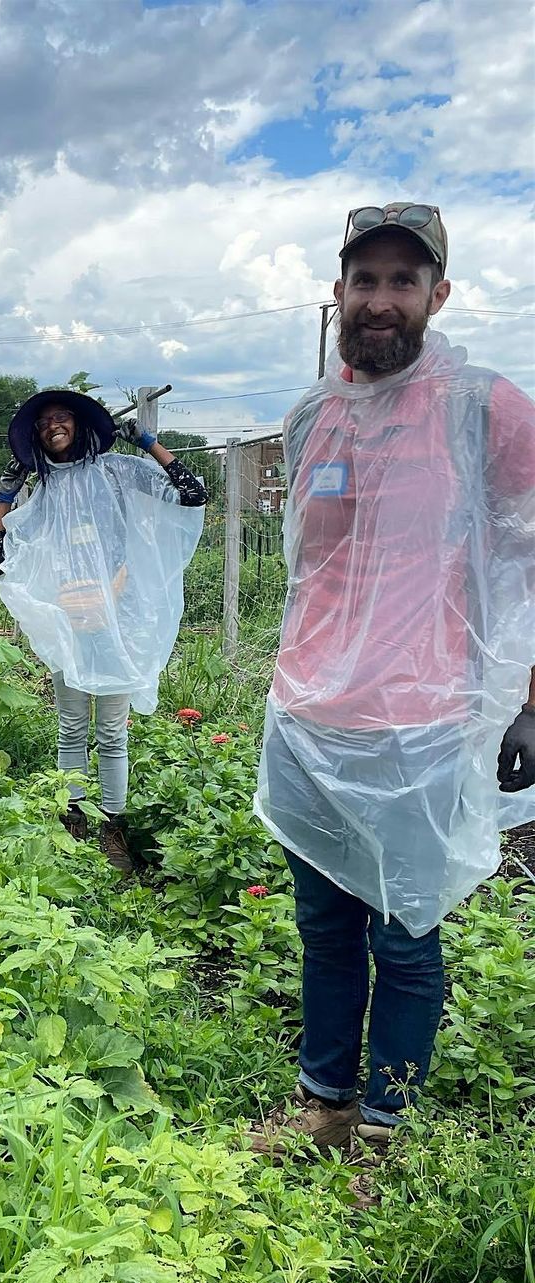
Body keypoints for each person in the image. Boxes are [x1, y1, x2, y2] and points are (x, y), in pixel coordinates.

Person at [250, 203, 535, 1169]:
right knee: (324, 934)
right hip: (310, 720)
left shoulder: (481, 407)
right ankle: (324, 1106)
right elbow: (311, 573)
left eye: (401, 281)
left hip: (421, 730)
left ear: (437, 295)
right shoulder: (309, 419)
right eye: (362, 281)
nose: (380, 300)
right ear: (335, 295)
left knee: (405, 943)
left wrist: (532, 696)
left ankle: (385, 1135)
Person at [0, 390, 208, 870]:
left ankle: (111, 828)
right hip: (70, 621)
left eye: (60, 417)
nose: (52, 426)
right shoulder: (44, 493)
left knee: (111, 731)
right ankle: (73, 821)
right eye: (42, 423)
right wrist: (5, 498)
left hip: (118, 619)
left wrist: (148, 442)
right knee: (70, 728)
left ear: (80, 423)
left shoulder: (117, 472)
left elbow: (193, 495)